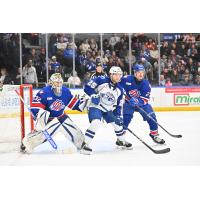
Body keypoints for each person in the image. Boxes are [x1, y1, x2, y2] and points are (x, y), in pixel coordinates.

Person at [21, 73, 92, 154]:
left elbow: (74, 104)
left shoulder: (65, 91)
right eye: (56, 82)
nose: (59, 84)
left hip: (61, 117)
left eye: (60, 82)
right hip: (49, 120)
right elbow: (35, 108)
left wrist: (85, 103)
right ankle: (26, 143)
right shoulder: (44, 92)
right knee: (42, 136)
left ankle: (82, 144)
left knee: (73, 129)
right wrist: (39, 117)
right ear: (51, 82)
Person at [82, 66, 132, 154]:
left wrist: (118, 116)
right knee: (96, 122)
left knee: (117, 124)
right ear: (110, 75)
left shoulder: (120, 90)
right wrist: (93, 95)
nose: (118, 77)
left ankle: (121, 141)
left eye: (119, 75)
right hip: (95, 105)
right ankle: (85, 144)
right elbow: (87, 87)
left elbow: (118, 106)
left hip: (107, 109)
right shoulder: (100, 80)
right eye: (115, 74)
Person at [120, 64, 165, 144]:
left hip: (141, 104)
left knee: (151, 116)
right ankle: (120, 138)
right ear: (135, 73)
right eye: (138, 72)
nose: (141, 74)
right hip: (128, 102)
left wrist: (138, 101)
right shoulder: (126, 79)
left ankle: (154, 135)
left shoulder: (146, 84)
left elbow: (145, 99)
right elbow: (117, 85)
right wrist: (121, 92)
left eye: (142, 72)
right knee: (126, 119)